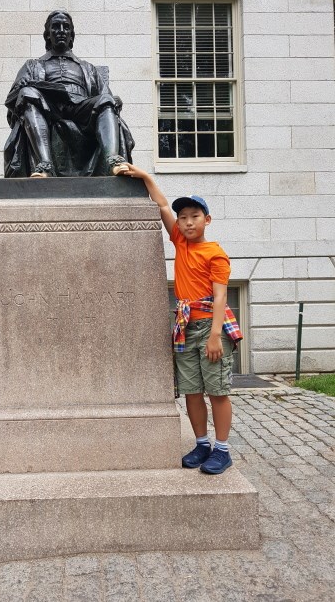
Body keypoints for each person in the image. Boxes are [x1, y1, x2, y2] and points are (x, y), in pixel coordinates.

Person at [122, 164, 243, 475]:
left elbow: (220, 297)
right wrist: (146, 178)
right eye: (184, 217)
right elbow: (163, 205)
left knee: (217, 391)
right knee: (191, 390)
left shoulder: (215, 254)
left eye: (195, 216)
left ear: (207, 220)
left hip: (210, 327)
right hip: (185, 328)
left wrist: (215, 336)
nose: (188, 222)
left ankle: (222, 450)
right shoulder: (180, 241)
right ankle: (202, 444)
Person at [4, 10, 134, 178]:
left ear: (71, 35)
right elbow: (13, 102)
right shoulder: (32, 65)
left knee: (106, 100)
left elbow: (105, 96)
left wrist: (115, 101)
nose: (61, 31)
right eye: (55, 27)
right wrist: (21, 88)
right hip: (48, 109)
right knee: (27, 92)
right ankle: (45, 165)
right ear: (48, 34)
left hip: (81, 109)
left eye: (66, 27)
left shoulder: (88, 68)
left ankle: (113, 161)